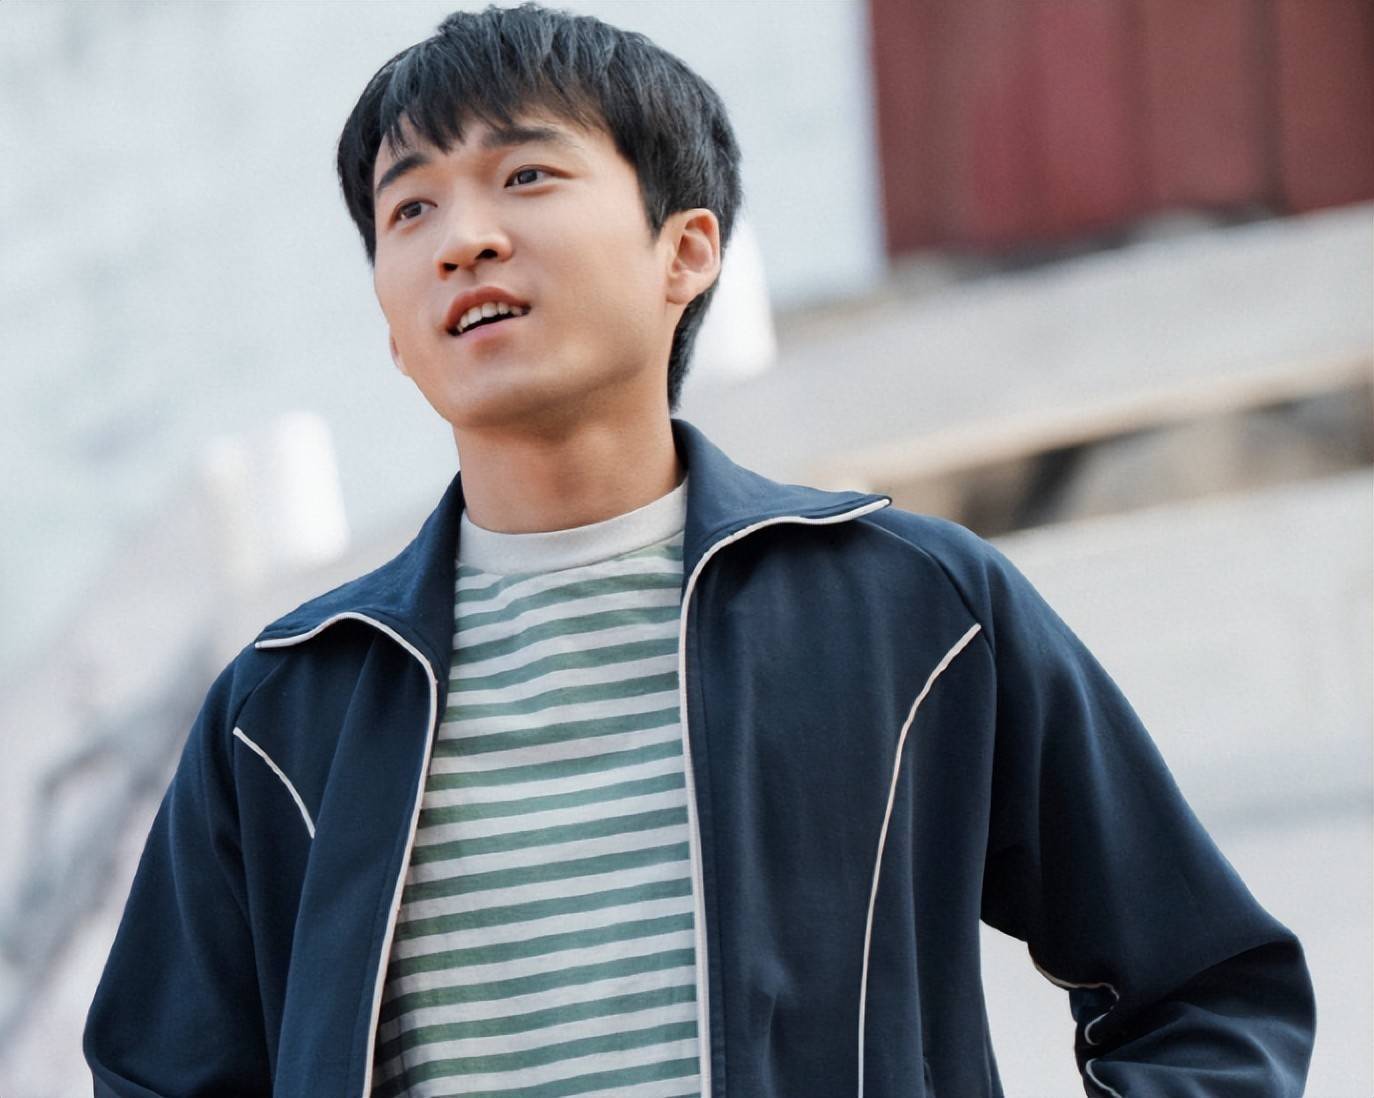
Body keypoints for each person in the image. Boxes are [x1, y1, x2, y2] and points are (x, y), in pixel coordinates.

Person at [84, 4, 1316, 1096]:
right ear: (394, 330)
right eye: (411, 208)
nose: (462, 239)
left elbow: (1207, 987)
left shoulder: (914, 613)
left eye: (525, 175)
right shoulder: (283, 711)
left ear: (685, 252)